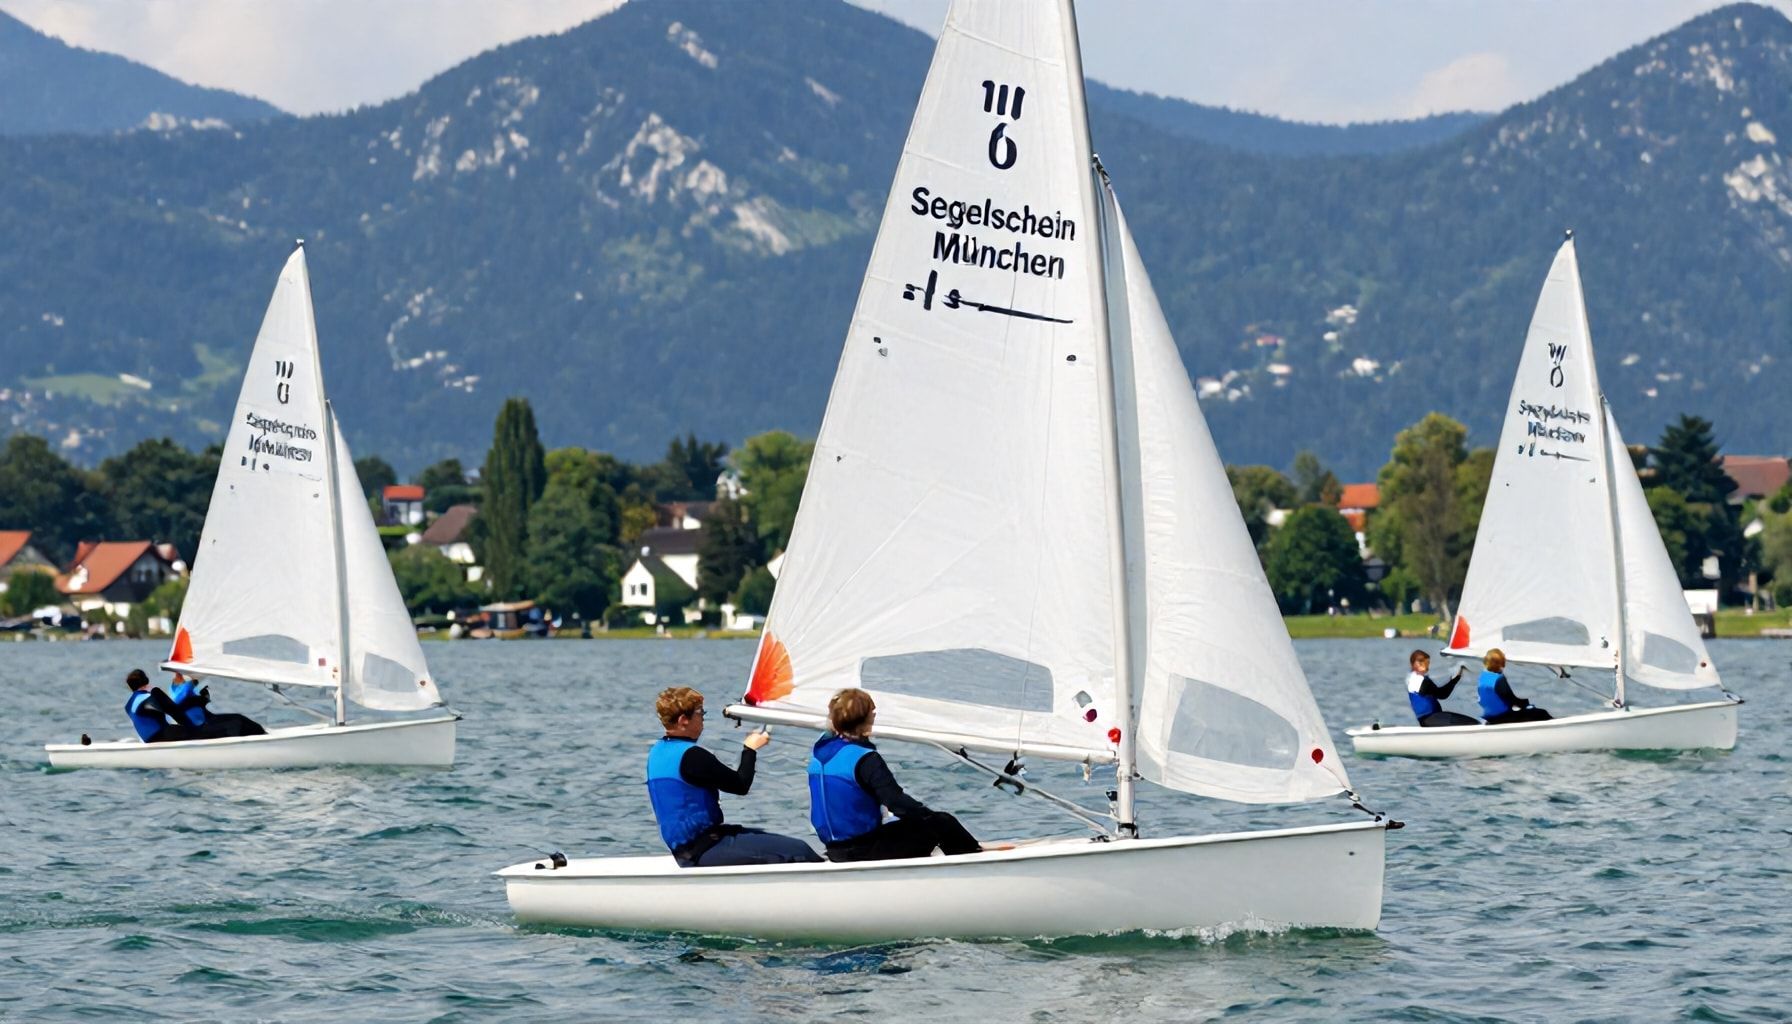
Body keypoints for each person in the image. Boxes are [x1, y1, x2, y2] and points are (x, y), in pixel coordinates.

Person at [645, 686, 822, 868]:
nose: (703, 719)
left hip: (689, 849)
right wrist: (750, 749)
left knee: (772, 841)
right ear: (683, 720)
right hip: (704, 849)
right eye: (700, 713)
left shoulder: (656, 753)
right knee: (799, 850)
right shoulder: (692, 756)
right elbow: (740, 785)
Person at [808, 688, 983, 862]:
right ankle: (975, 859)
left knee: (912, 825)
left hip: (835, 851)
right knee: (943, 823)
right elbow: (895, 801)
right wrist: (929, 817)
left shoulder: (818, 756)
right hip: (863, 850)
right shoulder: (865, 759)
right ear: (869, 718)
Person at [169, 673, 267, 739]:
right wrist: (195, 675)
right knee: (236, 723)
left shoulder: (189, 693)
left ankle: (262, 735)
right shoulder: (177, 694)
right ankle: (244, 743)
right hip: (199, 729)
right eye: (179, 677)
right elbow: (189, 685)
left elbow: (196, 694)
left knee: (239, 718)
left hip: (208, 721)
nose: (181, 678)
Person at [1478, 649, 1552, 725]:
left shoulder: (1483, 677)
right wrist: (1525, 704)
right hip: (1502, 717)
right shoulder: (1499, 679)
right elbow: (1511, 698)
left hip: (1488, 716)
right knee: (1541, 713)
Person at [1405, 650, 1479, 727]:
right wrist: (1456, 678)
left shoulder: (1412, 679)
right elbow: (1442, 694)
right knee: (1473, 723)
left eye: (1428, 663)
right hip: (1432, 718)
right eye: (1425, 663)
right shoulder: (1421, 681)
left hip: (1427, 719)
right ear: (1416, 664)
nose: (1427, 666)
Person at [123, 668, 196, 743]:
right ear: (146, 680)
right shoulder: (149, 697)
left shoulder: (128, 705)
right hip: (161, 735)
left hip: (147, 740)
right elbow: (174, 711)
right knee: (197, 731)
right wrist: (192, 726)